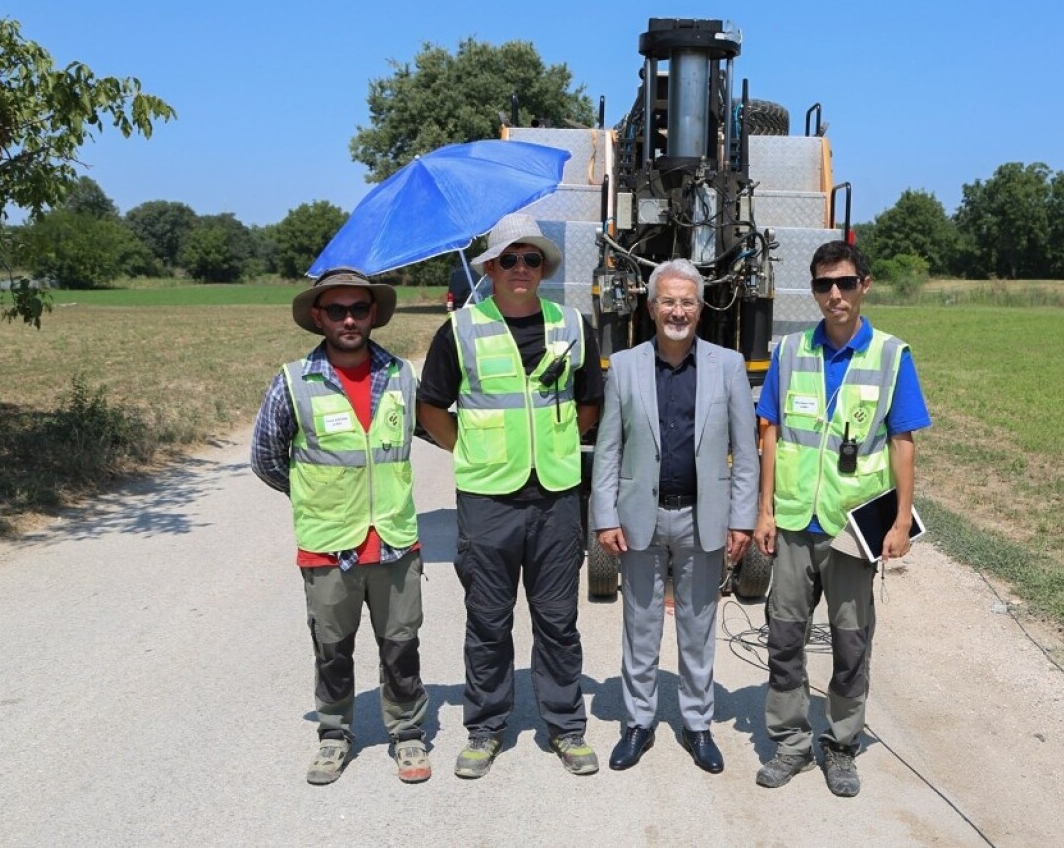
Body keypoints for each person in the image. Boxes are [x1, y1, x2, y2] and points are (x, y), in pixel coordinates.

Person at [418, 213, 603, 778]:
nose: (521, 269)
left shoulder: (572, 325)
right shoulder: (460, 329)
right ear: (491, 269)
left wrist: (557, 445)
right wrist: (472, 450)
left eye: (531, 259)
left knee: (557, 620)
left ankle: (566, 727)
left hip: (555, 498)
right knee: (489, 620)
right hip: (488, 500)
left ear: (543, 268)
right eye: (509, 260)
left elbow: (589, 403)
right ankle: (485, 728)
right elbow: (431, 409)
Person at [753, 239, 931, 797]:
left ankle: (841, 744)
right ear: (813, 291)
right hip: (793, 525)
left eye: (845, 283)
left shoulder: (890, 355)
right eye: (824, 285)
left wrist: (900, 520)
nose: (835, 295)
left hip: (852, 528)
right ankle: (791, 742)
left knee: (851, 642)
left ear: (864, 286)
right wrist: (763, 510)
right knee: (783, 636)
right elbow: (771, 432)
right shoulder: (788, 352)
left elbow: (902, 442)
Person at [250, 267, 430, 786]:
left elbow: (431, 432)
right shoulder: (293, 381)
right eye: (337, 310)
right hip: (330, 546)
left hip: (395, 542)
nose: (349, 319)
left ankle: (407, 733)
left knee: (401, 644)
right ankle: (333, 736)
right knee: (332, 649)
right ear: (317, 316)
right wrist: (314, 497)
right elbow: (265, 457)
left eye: (359, 309)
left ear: (374, 314)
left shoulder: (400, 374)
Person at [590, 259, 759, 774]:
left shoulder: (728, 366)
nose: (678, 311)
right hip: (641, 517)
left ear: (701, 308)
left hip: (702, 518)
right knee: (639, 626)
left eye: (687, 302)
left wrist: (742, 519)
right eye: (669, 301)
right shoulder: (623, 366)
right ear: (651, 306)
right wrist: (604, 515)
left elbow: (745, 451)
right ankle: (638, 722)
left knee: (697, 627)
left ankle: (697, 724)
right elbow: (608, 449)